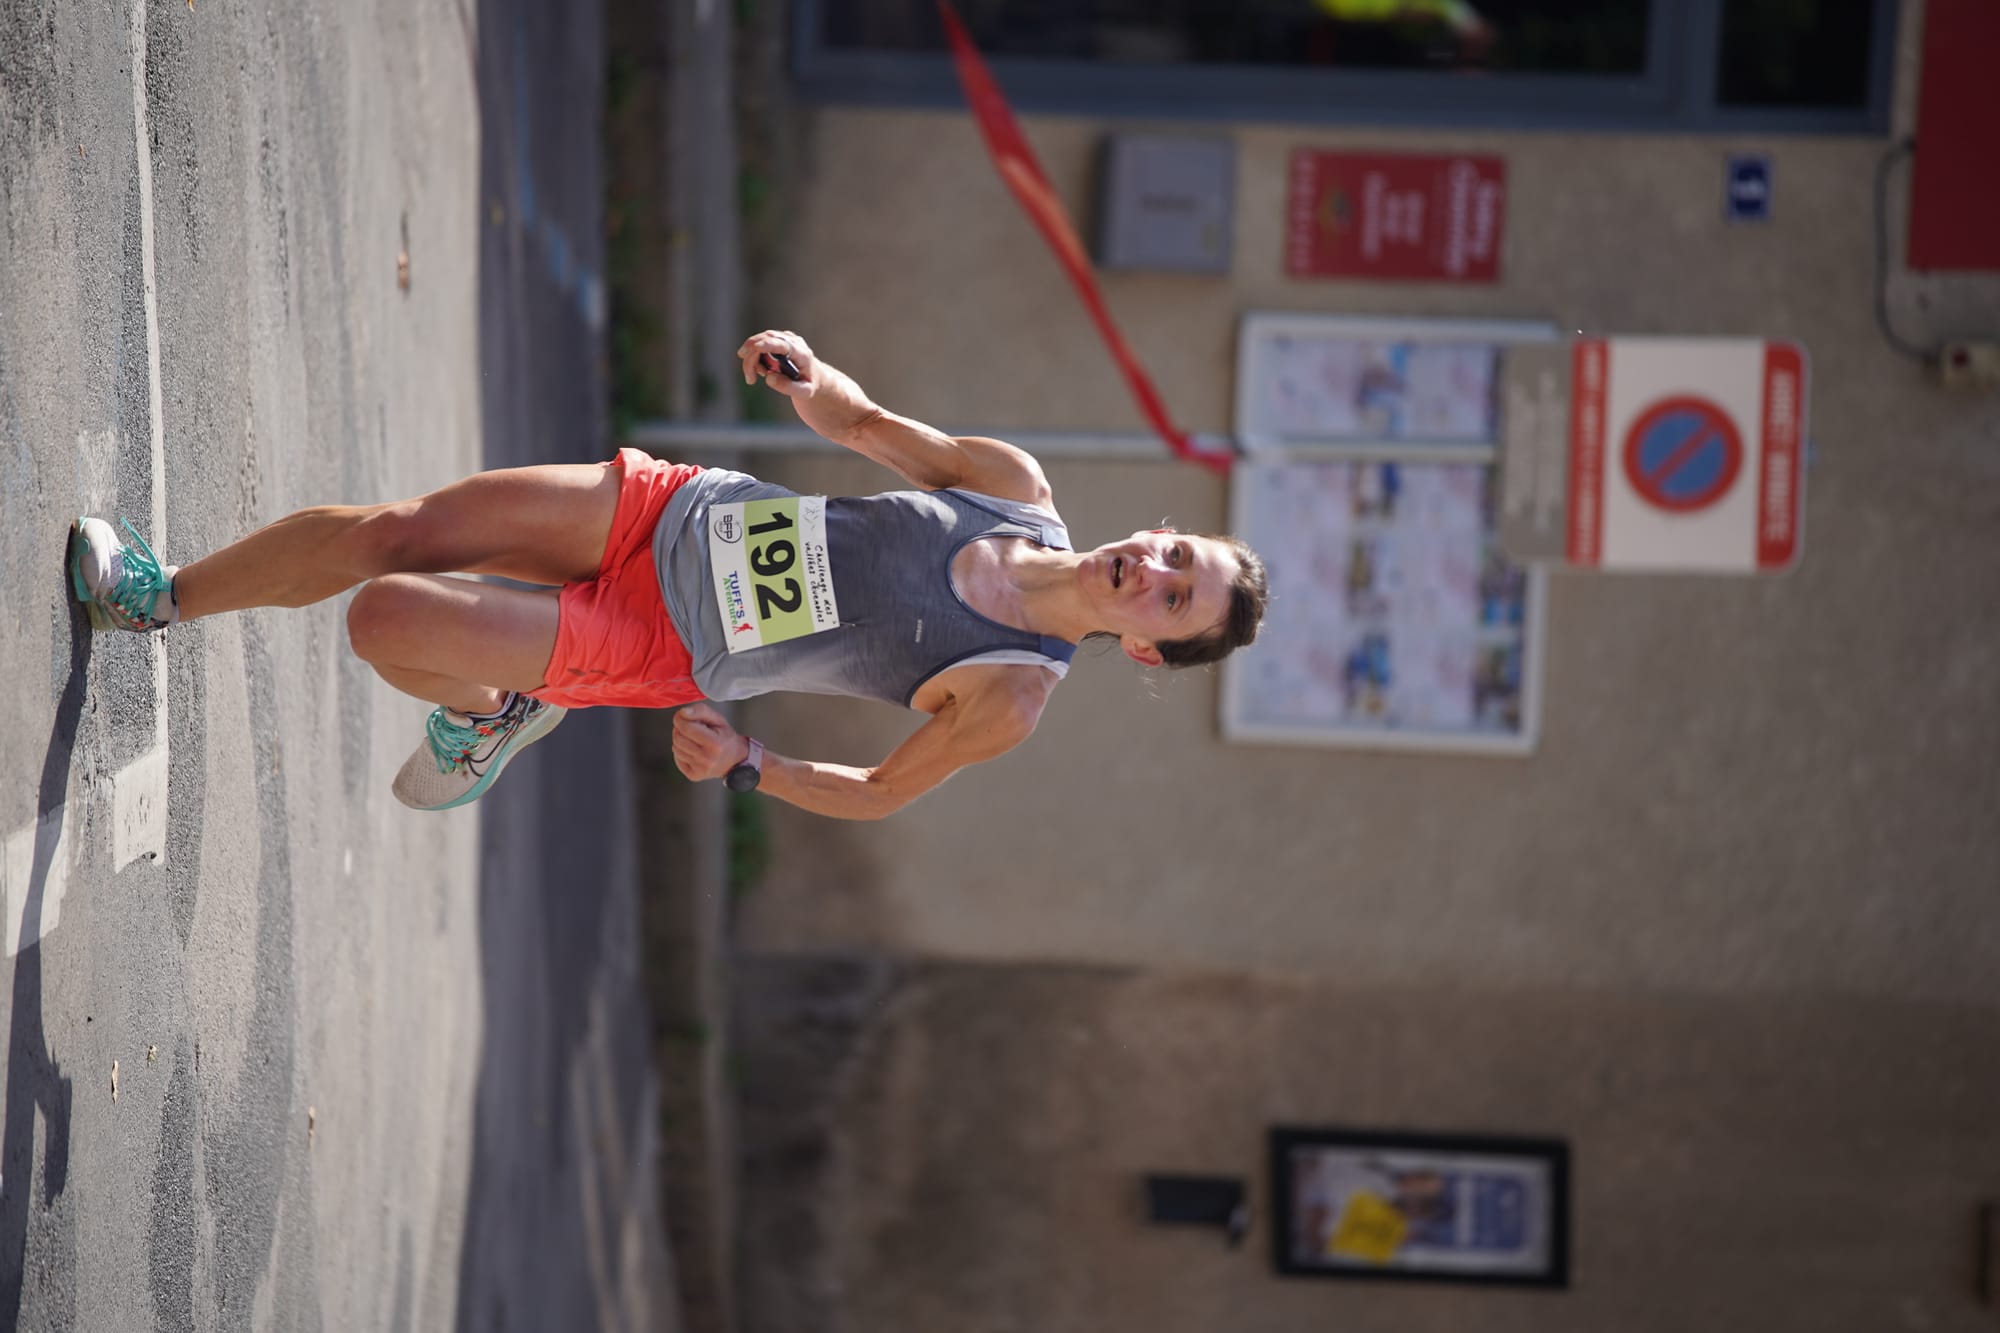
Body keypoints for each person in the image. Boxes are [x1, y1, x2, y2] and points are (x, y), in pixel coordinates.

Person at [68, 331, 1268, 820]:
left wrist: (752, 761)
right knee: (400, 528)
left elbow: (879, 791)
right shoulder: (1011, 484)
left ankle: (487, 717)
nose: (1149, 567)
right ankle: (156, 595)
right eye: (1174, 549)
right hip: (676, 508)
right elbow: (864, 428)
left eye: (1173, 594)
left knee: (385, 618)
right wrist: (807, 377)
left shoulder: (1007, 692)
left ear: (1151, 647)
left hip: (663, 645)